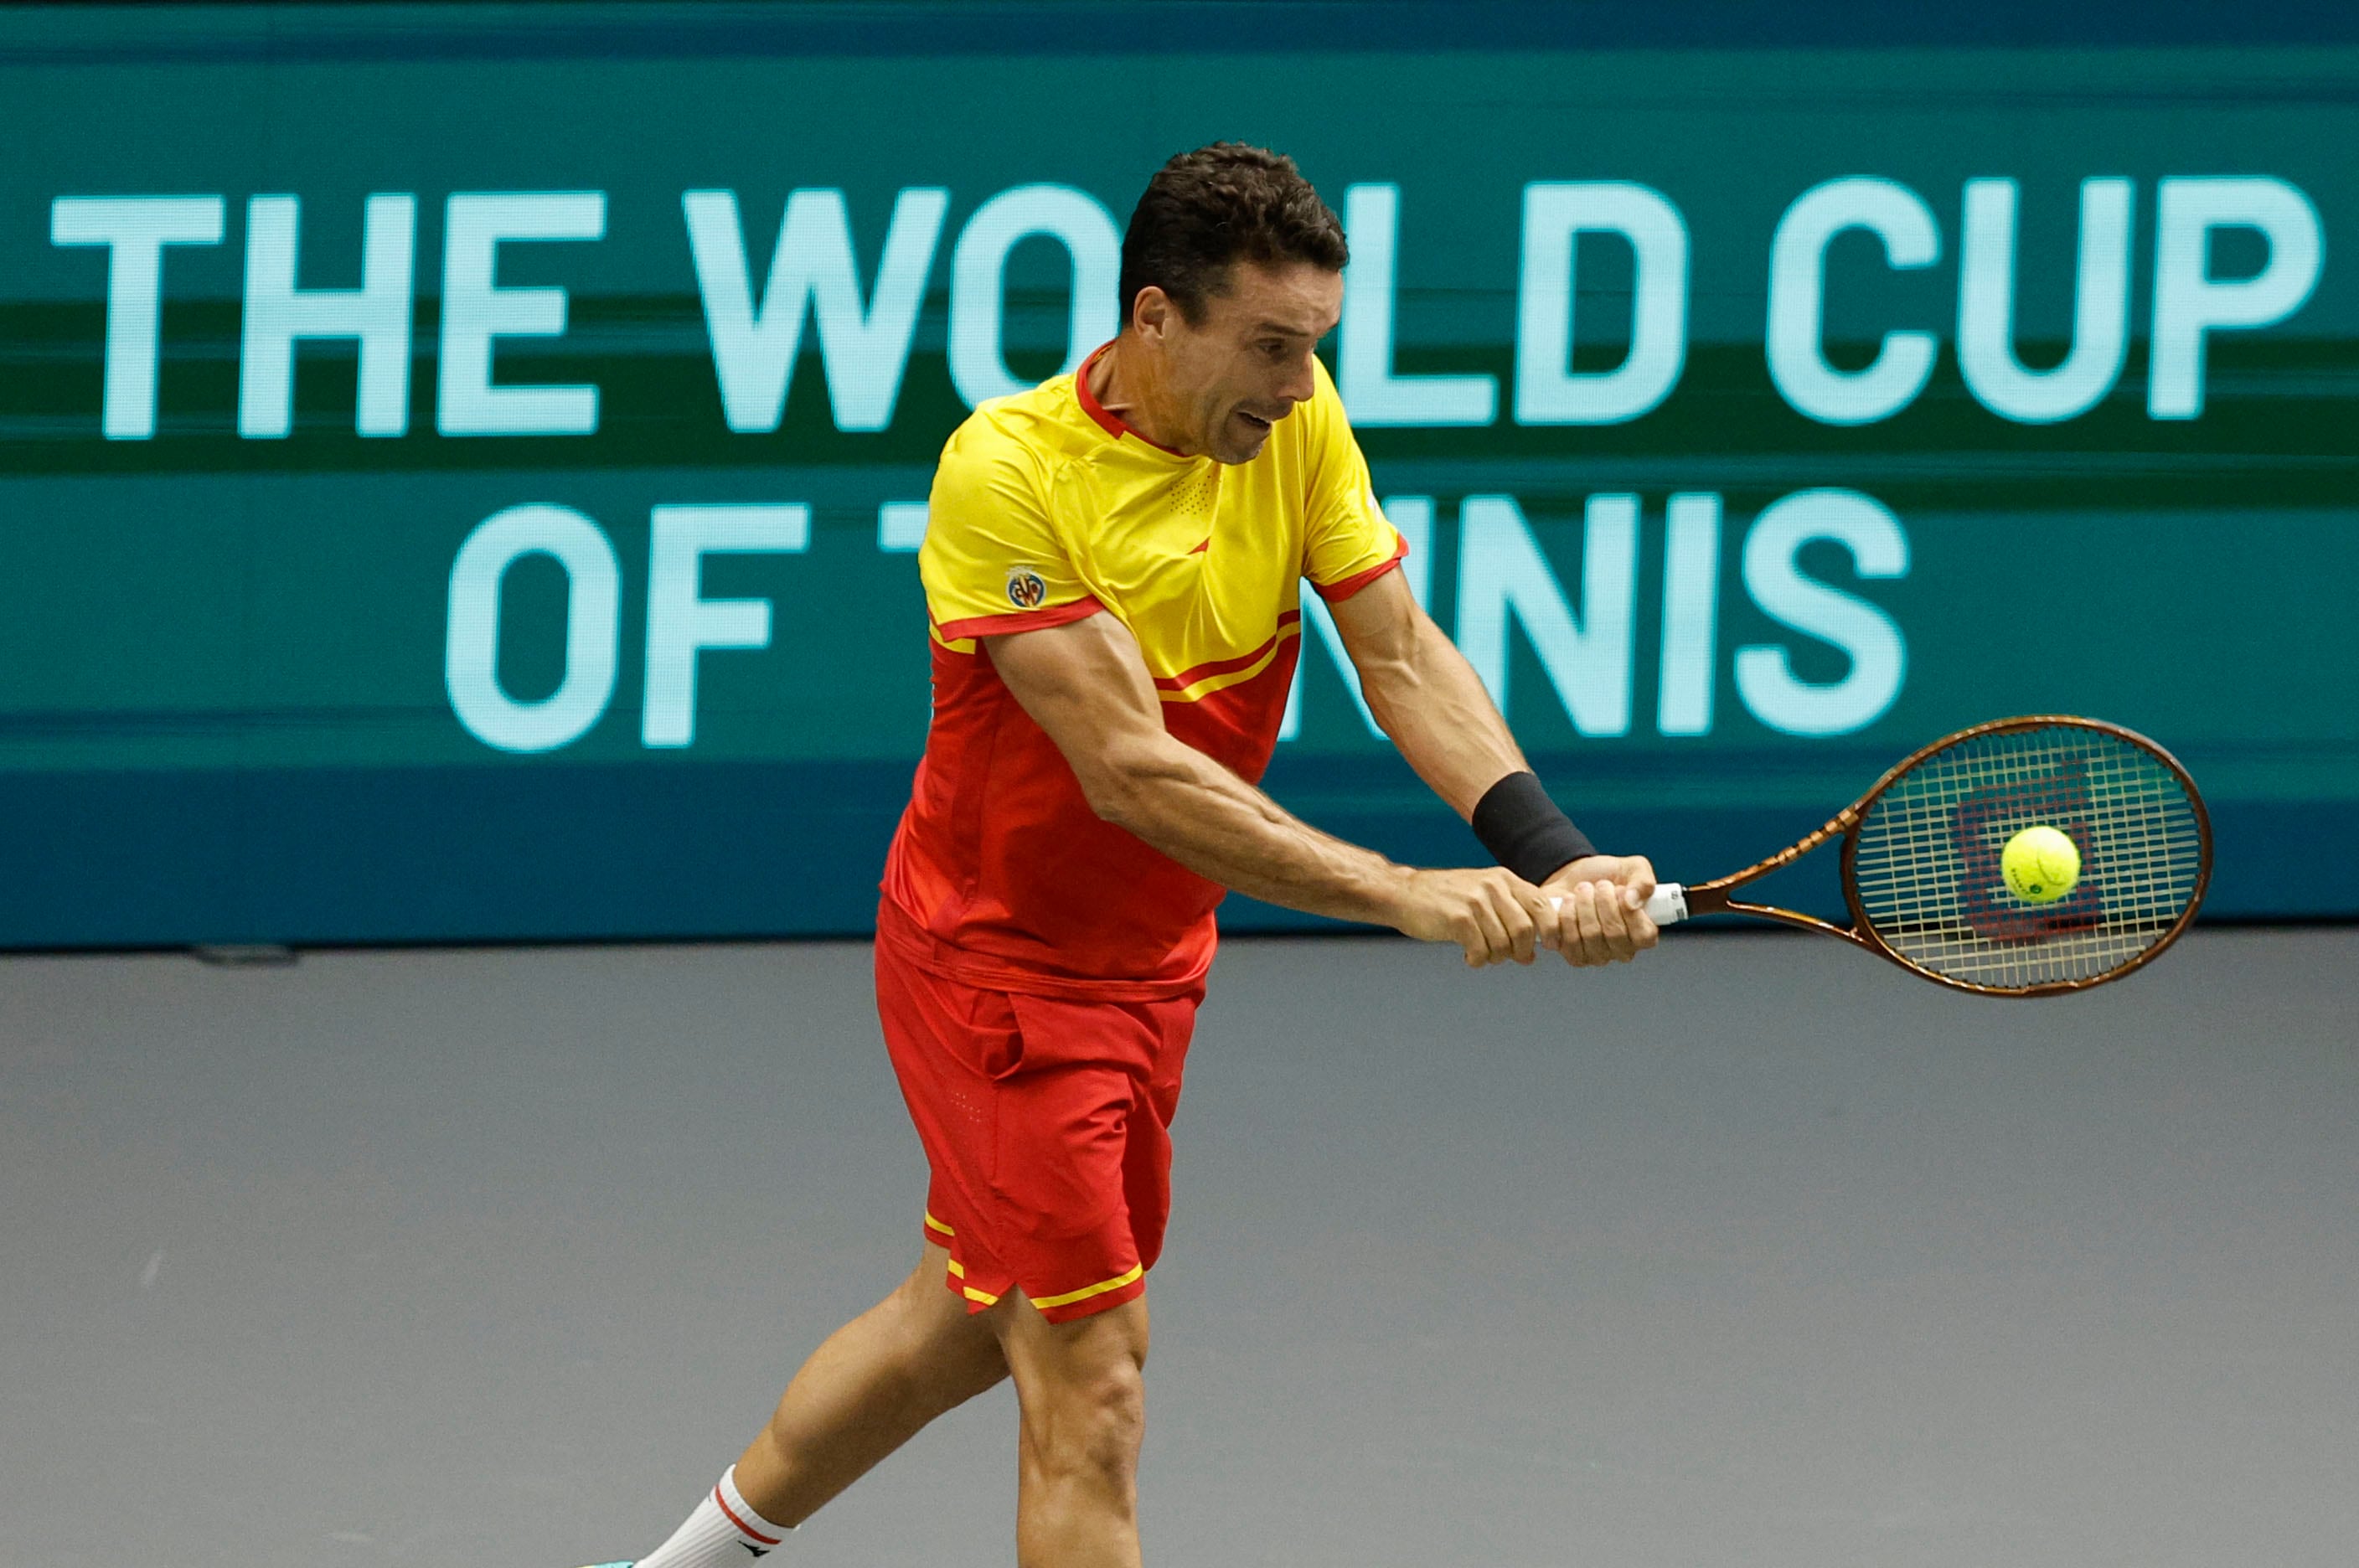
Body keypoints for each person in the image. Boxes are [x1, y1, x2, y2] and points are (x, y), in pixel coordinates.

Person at [586, 141, 1657, 1568]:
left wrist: (1555, 853)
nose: (1295, 384)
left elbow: (1395, 652)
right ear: (1156, 319)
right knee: (1094, 1381)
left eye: (1313, 349)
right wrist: (1404, 893)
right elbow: (1134, 774)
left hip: (1150, 967)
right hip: (998, 975)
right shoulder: (1011, 474)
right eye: (1268, 347)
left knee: (962, 1326)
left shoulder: (1294, 422)